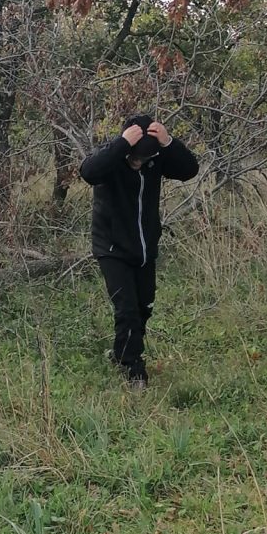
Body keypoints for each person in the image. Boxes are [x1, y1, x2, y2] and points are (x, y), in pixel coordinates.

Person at [80, 113, 198, 388]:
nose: (138, 163)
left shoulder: (155, 160)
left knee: (144, 306)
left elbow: (189, 170)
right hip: (111, 247)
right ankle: (135, 370)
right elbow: (88, 172)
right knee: (127, 309)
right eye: (134, 156)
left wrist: (169, 142)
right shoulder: (111, 159)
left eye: (144, 158)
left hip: (145, 248)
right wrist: (121, 144)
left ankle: (121, 353)